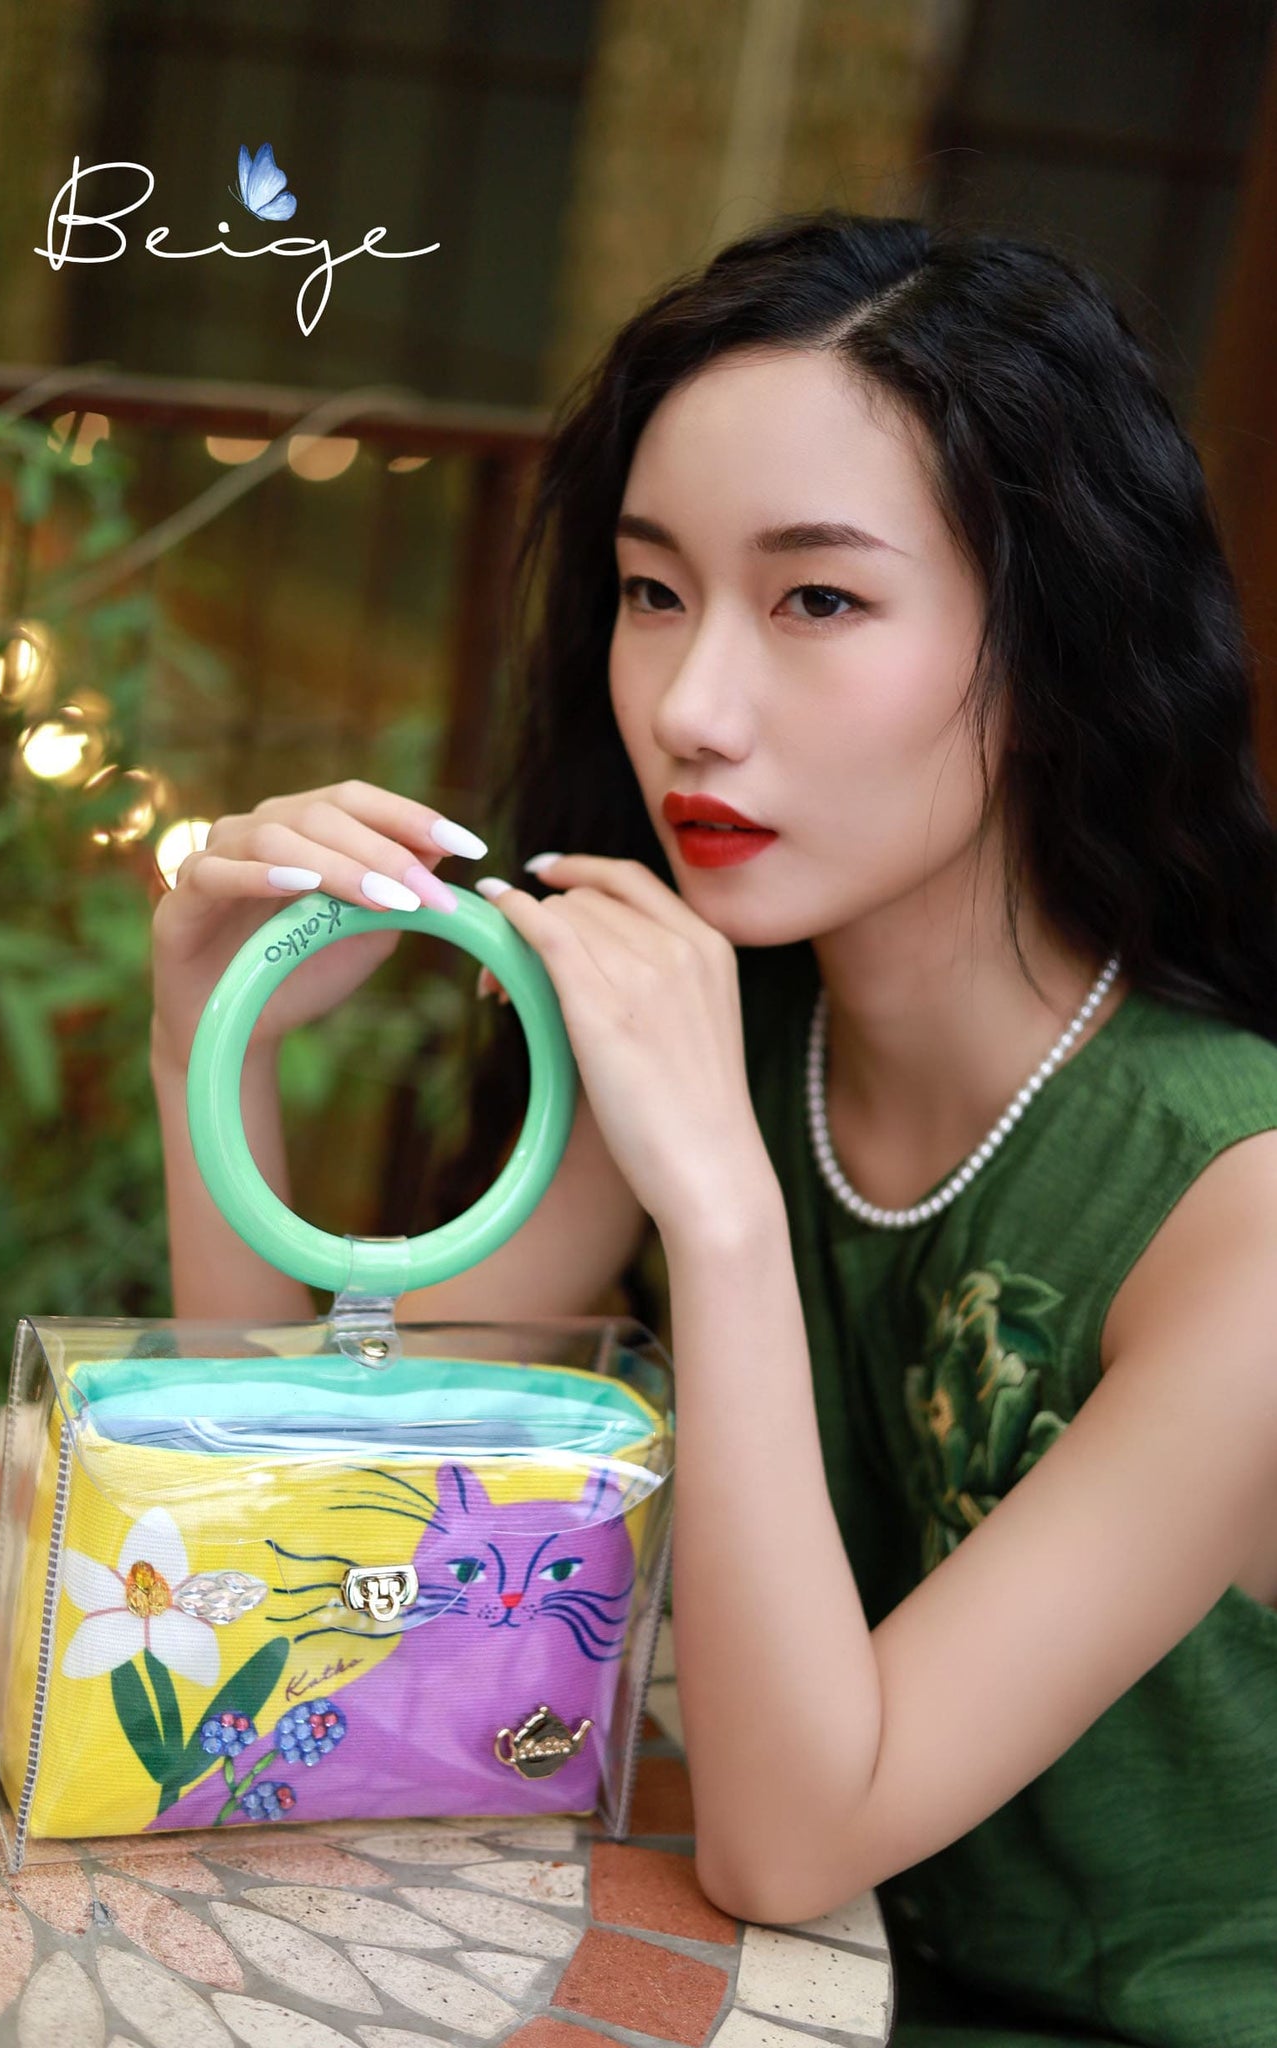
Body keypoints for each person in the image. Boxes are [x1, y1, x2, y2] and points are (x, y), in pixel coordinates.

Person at [149, 210, 1277, 2046]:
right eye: (652, 590)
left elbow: (787, 1842)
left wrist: (724, 1225)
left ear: (1056, 639)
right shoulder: (720, 1026)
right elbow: (315, 1559)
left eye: (816, 600)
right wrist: (216, 1045)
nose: (688, 706)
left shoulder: (1243, 1214)